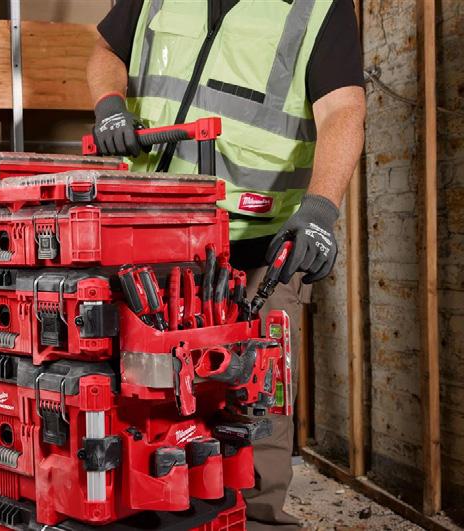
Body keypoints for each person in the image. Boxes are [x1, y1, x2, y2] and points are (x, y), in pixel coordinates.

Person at [86, 0, 365, 529]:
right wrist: (109, 104)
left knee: (257, 393)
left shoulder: (317, 8)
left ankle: (255, 518)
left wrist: (320, 209)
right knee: (143, 387)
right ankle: (149, 509)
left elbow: (343, 109)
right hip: (150, 232)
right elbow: (106, 49)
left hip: (258, 245)